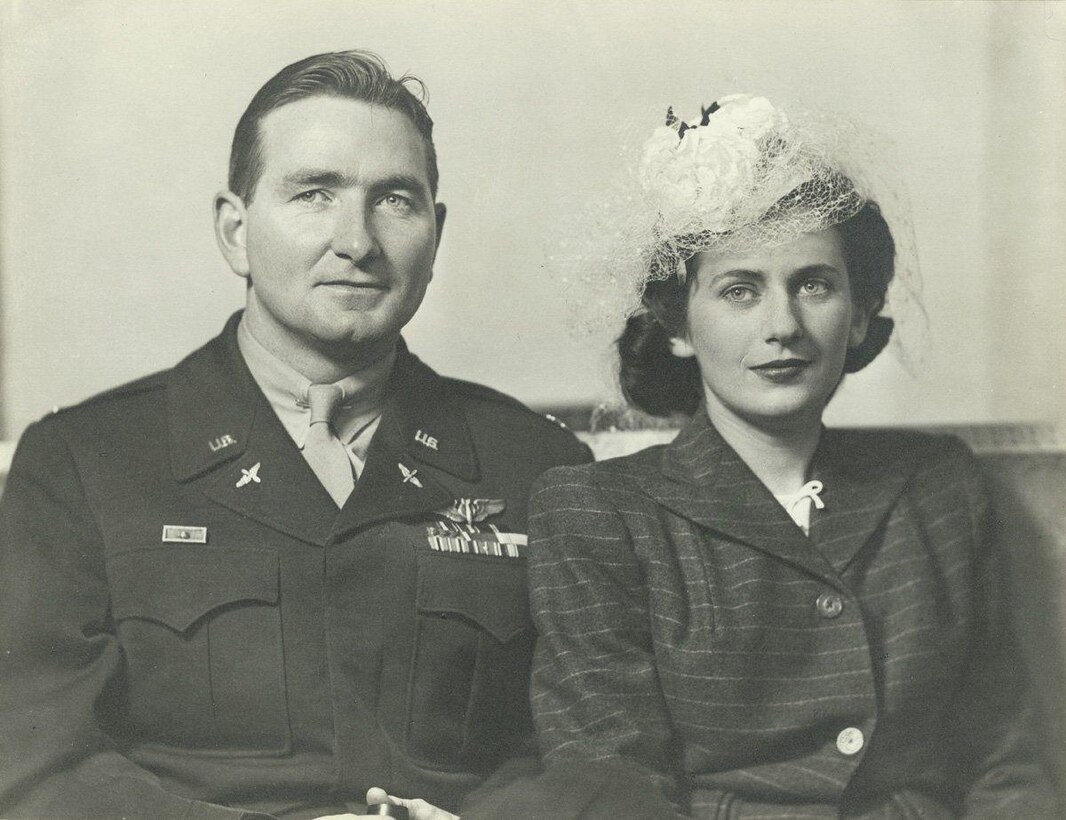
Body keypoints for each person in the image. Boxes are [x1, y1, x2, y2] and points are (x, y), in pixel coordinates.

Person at [0, 50, 590, 819]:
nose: (357, 241)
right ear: (234, 231)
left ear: (436, 235)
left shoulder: (540, 469)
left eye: (395, 201)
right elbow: (36, 764)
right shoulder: (83, 464)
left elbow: (595, 757)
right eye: (315, 194)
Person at [522, 96, 1061, 817]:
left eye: (814, 284)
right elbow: (607, 777)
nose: (783, 325)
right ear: (678, 324)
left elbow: (1002, 760)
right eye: (740, 290)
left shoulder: (938, 487)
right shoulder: (598, 513)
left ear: (860, 311)